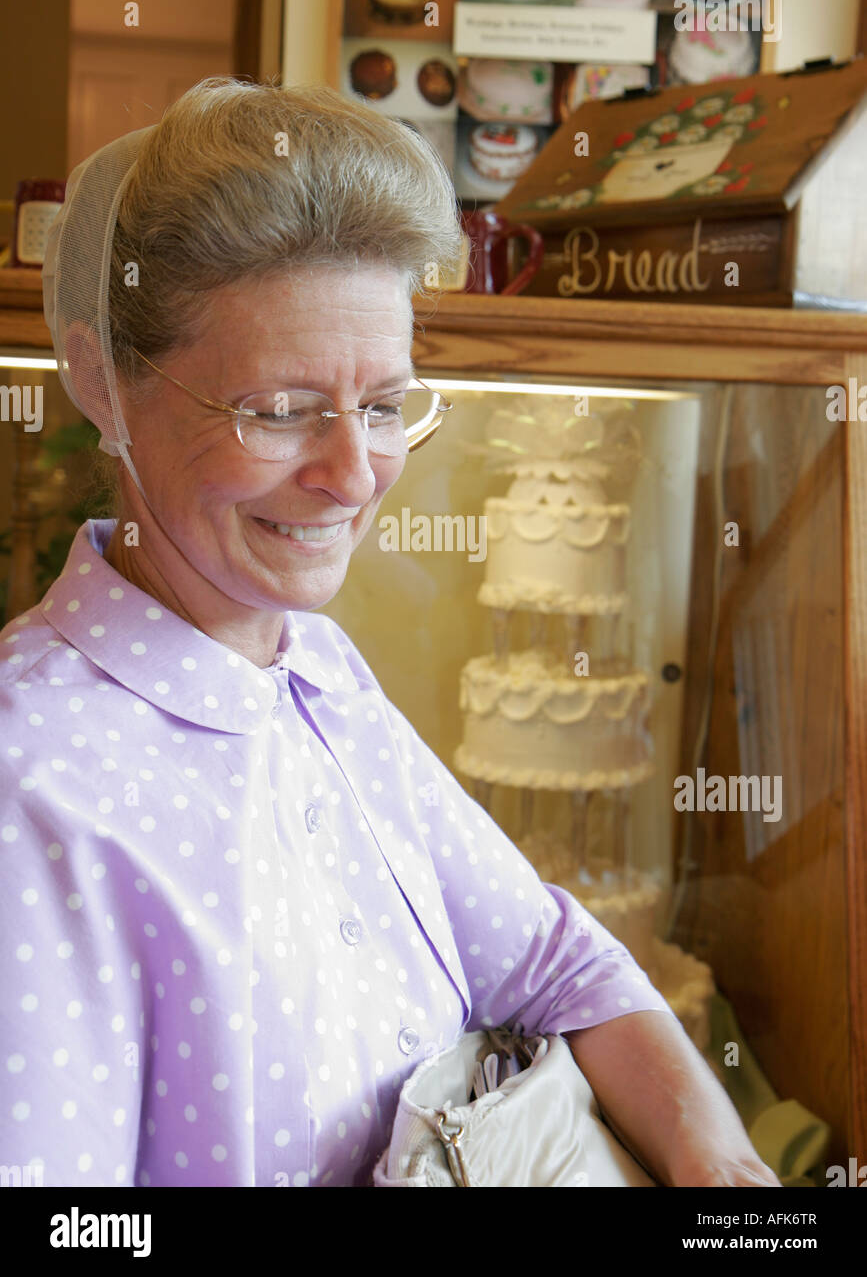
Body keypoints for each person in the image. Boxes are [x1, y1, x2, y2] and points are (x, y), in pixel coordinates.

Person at [0, 78, 778, 1188]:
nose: (352, 475)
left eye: (383, 405)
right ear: (100, 383)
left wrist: (733, 1188)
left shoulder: (311, 667)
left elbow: (557, 961)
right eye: (278, 410)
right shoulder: (34, 788)